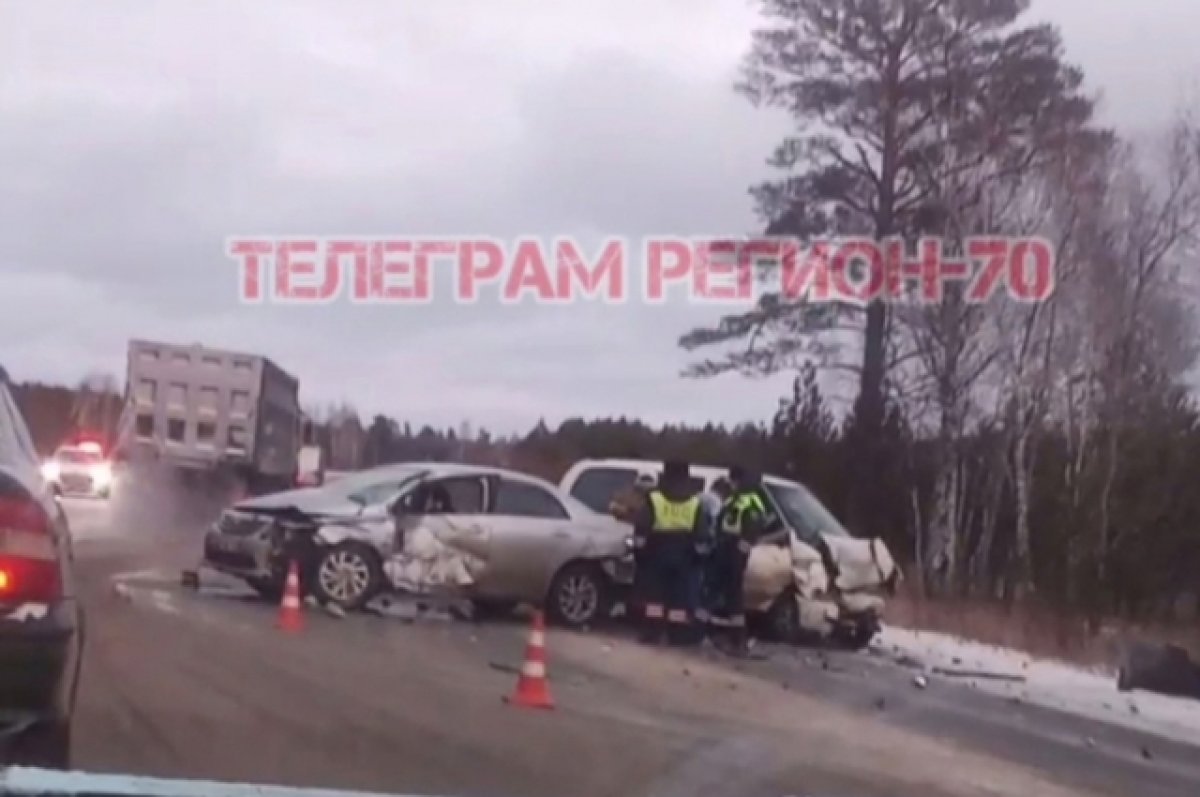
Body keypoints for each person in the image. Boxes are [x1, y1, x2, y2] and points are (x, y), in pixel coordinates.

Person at [632, 460, 704, 645]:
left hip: (657, 551)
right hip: (684, 554)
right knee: (680, 597)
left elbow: (642, 526)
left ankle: (652, 632)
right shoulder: (695, 502)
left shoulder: (654, 498)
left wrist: (639, 552)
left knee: (655, 596)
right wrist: (697, 555)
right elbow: (701, 533)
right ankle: (678, 635)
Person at [709, 466, 766, 656]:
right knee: (715, 590)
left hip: (735, 551)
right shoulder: (734, 498)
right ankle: (710, 634)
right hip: (724, 548)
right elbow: (723, 522)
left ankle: (738, 640)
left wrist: (741, 551)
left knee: (733, 595)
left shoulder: (751, 501)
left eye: (732, 480)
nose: (731, 484)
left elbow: (752, 527)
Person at [693, 477, 732, 632]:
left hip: (690, 545)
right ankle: (700, 624)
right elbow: (716, 523)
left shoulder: (698, 496)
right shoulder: (715, 501)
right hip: (706, 549)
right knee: (708, 587)